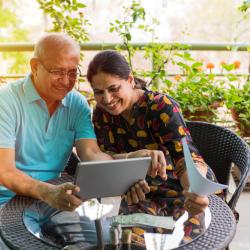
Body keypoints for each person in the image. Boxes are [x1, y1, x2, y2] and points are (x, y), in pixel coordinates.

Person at [0, 34, 167, 249]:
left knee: (104, 242)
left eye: (72, 72)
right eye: (58, 71)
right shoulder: (6, 102)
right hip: (6, 201)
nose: (67, 81)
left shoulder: (76, 103)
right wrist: (47, 192)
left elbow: (92, 154)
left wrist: (128, 164)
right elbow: (5, 172)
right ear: (34, 66)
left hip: (56, 200)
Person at [87, 50, 220, 245]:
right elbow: (106, 159)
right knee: (122, 240)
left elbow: (187, 158)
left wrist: (194, 190)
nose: (107, 99)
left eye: (114, 88)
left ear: (130, 80)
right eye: (99, 92)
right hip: (141, 195)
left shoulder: (160, 107)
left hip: (182, 191)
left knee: (188, 241)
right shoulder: (101, 114)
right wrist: (131, 167)